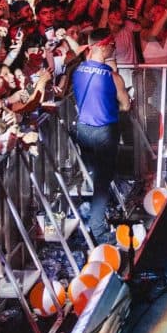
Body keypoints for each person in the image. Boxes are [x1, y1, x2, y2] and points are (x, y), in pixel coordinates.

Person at [68, 31, 130, 242]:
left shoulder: (77, 71)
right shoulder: (113, 77)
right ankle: (99, 230)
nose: (115, 48)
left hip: (83, 129)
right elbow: (126, 105)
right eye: (112, 44)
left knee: (95, 176)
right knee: (102, 182)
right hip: (104, 131)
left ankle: (96, 214)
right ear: (103, 47)